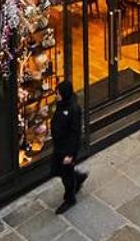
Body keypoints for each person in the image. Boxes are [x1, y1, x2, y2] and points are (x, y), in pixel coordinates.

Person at [50, 80, 87, 213]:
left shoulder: (73, 109)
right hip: (59, 145)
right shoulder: (62, 104)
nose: (56, 95)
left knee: (65, 174)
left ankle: (70, 198)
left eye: (58, 93)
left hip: (66, 149)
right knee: (56, 170)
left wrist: (70, 155)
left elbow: (75, 134)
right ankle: (77, 178)